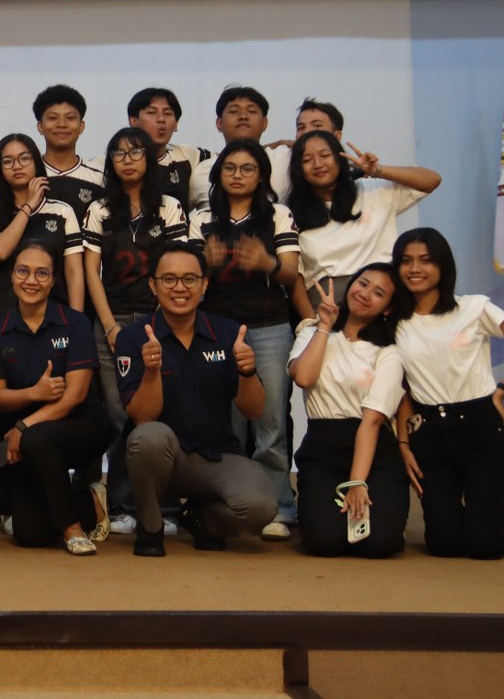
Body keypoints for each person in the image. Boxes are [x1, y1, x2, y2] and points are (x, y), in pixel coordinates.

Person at [392, 229, 504, 560]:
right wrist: (403, 444)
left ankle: (501, 503)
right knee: (444, 545)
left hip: (480, 426)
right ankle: (477, 513)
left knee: (486, 547)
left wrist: (502, 391)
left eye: (425, 260)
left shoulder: (474, 308)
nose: (415, 269)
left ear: (443, 265)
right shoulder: (394, 322)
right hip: (429, 432)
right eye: (406, 261)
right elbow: (402, 389)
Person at [118, 243, 277, 557]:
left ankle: (202, 519)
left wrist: (247, 371)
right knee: (149, 437)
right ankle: (150, 525)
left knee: (261, 507)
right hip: (160, 458)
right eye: (169, 279)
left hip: (216, 456)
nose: (180, 288)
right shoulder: (134, 337)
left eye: (190, 279)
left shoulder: (228, 332)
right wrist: (152, 371)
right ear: (153, 285)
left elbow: (254, 410)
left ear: (204, 285)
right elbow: (143, 417)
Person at [188, 138, 307, 540]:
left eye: (247, 169)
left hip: (269, 326)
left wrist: (266, 262)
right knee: (227, 425)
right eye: (230, 168)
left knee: (270, 423)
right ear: (218, 174)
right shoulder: (201, 218)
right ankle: (232, 505)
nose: (237, 176)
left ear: (262, 176)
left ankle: (279, 507)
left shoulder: (277, 215)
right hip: (215, 329)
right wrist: (205, 264)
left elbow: (291, 273)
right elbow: (188, 276)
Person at [83, 126, 186, 532]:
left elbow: (178, 265)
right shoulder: (100, 209)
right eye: (119, 153)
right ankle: (124, 505)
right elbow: (91, 273)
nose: (127, 160)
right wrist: (109, 326)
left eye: (135, 152)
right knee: (119, 414)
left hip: (161, 322)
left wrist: (164, 320)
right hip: (113, 321)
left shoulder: (170, 207)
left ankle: (167, 508)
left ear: (149, 159)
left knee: (166, 414)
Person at [0, 243, 109, 554]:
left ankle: (72, 529)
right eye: (23, 271)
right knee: (29, 533)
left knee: (36, 438)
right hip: (23, 442)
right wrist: (33, 394)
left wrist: (24, 426)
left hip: (81, 427)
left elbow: (75, 395)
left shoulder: (75, 323)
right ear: (12, 277)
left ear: (53, 280)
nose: (31, 280)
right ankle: (90, 501)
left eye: (41, 273)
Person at [288, 264, 411, 558]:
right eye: (363, 284)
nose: (365, 294)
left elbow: (372, 421)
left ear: (388, 308)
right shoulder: (311, 332)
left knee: (379, 545)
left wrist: (357, 482)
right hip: (322, 450)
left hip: (374, 449)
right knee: (324, 543)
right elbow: (303, 377)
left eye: (378, 293)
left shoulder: (388, 351)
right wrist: (324, 326)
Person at [285, 129, 441, 307]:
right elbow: (296, 279)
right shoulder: (290, 213)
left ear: (340, 158)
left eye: (325, 155)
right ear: (298, 169)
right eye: (307, 160)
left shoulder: (373, 190)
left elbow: (431, 180)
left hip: (385, 298)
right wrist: (310, 320)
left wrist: (378, 170)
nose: (318, 164)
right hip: (328, 305)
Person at [0, 133, 84, 315]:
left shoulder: (62, 211)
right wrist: (28, 207)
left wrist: (77, 320)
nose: (17, 166)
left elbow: (74, 272)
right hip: (4, 314)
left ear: (36, 163)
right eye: (8, 161)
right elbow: (0, 251)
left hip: (54, 314)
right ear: (0, 170)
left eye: (24, 158)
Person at [127, 87, 211, 211]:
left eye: (167, 113)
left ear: (176, 124)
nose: (161, 119)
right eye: (152, 112)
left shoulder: (187, 155)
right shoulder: (116, 160)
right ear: (133, 121)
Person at [33, 84, 104, 223]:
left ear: (81, 126)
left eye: (70, 118)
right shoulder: (27, 174)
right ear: (40, 126)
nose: (62, 124)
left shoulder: (100, 177)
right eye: (53, 118)